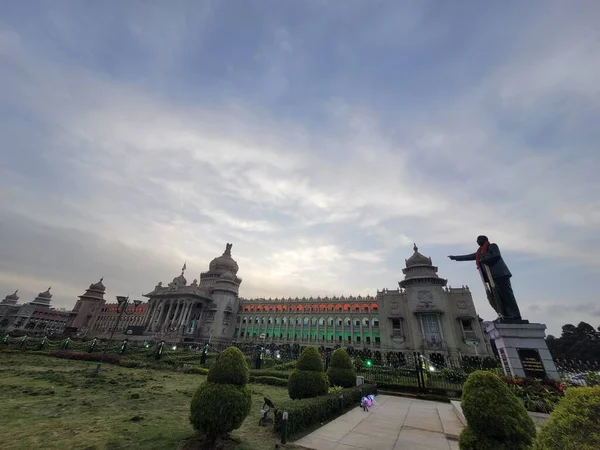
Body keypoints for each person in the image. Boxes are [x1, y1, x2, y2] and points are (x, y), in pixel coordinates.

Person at [448, 235, 522, 321]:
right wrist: (456, 258)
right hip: (491, 278)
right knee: (497, 296)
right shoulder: (480, 252)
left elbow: (497, 255)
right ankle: (504, 314)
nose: (478, 241)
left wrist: (485, 259)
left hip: (500, 274)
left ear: (485, 240)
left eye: (479, 240)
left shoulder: (492, 246)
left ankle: (515, 315)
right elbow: (469, 256)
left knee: (507, 295)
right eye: (477, 240)